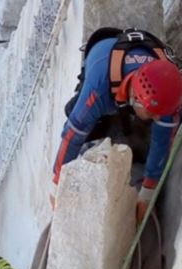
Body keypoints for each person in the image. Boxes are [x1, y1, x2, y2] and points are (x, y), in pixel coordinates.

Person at [52, 29, 182, 220]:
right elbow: (72, 135)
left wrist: (146, 194)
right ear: (136, 99)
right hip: (102, 56)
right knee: (78, 116)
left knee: (162, 127)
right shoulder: (98, 89)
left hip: (139, 62)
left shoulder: (165, 96)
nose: (157, 118)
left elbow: (161, 144)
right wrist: (57, 185)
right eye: (153, 115)